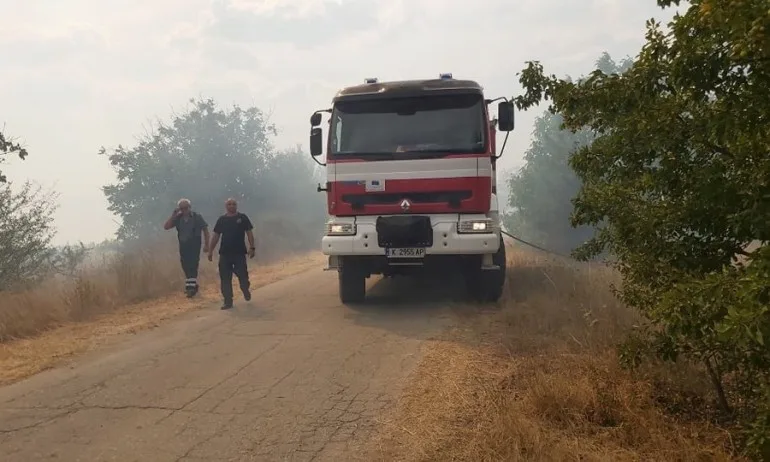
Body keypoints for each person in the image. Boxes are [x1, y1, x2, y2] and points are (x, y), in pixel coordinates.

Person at [207, 198, 256, 309]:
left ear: (236, 206)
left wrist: (252, 247)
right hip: (225, 254)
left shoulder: (242, 218)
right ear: (226, 206)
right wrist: (210, 251)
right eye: (229, 204)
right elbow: (216, 236)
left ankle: (245, 289)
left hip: (239, 253)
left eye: (234, 204)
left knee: (243, 276)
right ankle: (228, 301)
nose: (232, 206)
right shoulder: (222, 220)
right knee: (225, 278)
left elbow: (249, 233)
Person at [163, 198, 210, 297]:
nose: (184, 210)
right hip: (183, 244)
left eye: (186, 208)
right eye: (182, 208)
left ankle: (190, 289)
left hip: (195, 243)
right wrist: (173, 215)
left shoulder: (197, 217)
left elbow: (205, 230)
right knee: (185, 264)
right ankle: (192, 285)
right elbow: (166, 227)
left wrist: (207, 244)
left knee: (193, 264)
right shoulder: (178, 218)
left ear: (190, 207)